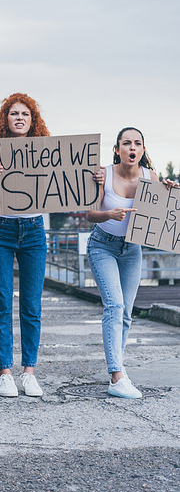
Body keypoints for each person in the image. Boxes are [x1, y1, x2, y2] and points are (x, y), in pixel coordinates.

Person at [86, 126, 168, 399]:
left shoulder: (151, 177)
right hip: (102, 246)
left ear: (143, 150)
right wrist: (109, 213)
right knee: (114, 304)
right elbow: (90, 214)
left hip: (132, 250)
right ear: (117, 149)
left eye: (137, 144)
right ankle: (117, 375)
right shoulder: (104, 174)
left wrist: (169, 191)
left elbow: (159, 215)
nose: (132, 148)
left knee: (126, 312)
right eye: (126, 143)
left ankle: (117, 372)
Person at [0, 94, 50, 398]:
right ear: (4, 119)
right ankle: (5, 373)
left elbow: (63, 181)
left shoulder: (45, 151)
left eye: (25, 114)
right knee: (2, 302)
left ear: (32, 120)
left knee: (32, 305)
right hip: (1, 230)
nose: (19, 118)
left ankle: (29, 372)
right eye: (13, 113)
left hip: (34, 230)